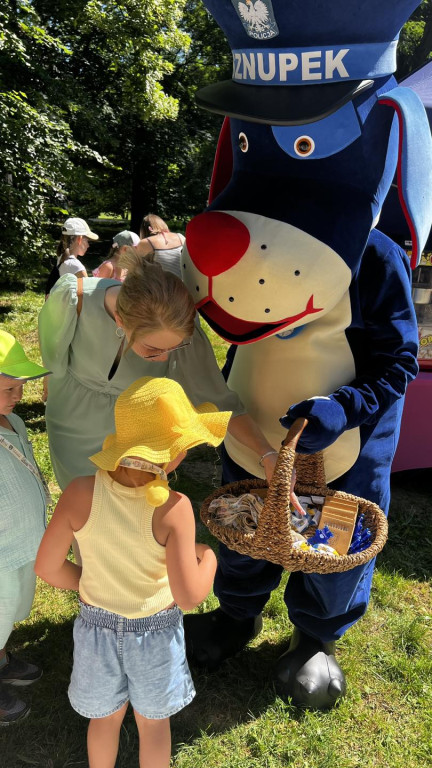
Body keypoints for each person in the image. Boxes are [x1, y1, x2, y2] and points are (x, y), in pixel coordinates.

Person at [35, 376, 230, 768]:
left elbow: (47, 566)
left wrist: (89, 585)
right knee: (154, 727)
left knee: (104, 721)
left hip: (95, 630)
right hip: (154, 635)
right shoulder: (173, 508)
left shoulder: (78, 492)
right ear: (172, 454)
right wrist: (208, 555)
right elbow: (190, 597)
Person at [38, 250, 279, 493]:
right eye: (153, 349)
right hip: (69, 420)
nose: (164, 358)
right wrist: (50, 379)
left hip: (136, 435)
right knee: (78, 502)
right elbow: (53, 356)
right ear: (121, 321)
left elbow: (219, 401)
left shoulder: (179, 328)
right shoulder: (74, 298)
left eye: (175, 347)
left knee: (126, 511)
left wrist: (267, 453)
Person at [0, 330, 50, 726]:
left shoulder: (13, 420)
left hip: (22, 544)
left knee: (10, 611)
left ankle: (1, 657)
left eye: (20, 386)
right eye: (9, 387)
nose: (18, 395)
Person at [45, 217, 99, 295]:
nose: (88, 245)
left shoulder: (62, 257)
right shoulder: (76, 267)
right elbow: (88, 296)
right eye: (87, 240)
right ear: (79, 239)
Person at [137, 213, 185, 278]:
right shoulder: (181, 237)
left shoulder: (146, 242)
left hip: (162, 285)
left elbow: (137, 269)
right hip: (184, 283)